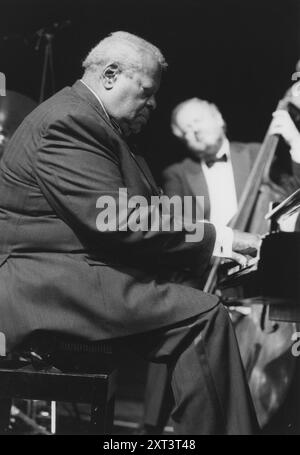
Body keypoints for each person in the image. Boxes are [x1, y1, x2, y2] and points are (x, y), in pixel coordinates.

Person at [0, 31, 260, 434]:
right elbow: (117, 218)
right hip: (44, 285)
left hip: (71, 272)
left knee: (197, 307)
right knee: (203, 315)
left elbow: (149, 207)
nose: (154, 102)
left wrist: (221, 234)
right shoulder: (70, 121)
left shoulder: (97, 123)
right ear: (110, 75)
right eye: (147, 91)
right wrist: (219, 240)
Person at [142, 97, 300, 433]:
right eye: (184, 130)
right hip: (206, 272)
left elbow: (294, 196)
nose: (193, 131)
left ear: (220, 118)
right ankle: (150, 427)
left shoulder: (260, 154)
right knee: (169, 319)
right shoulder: (177, 174)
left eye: (198, 120)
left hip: (260, 277)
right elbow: (181, 228)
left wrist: (295, 143)